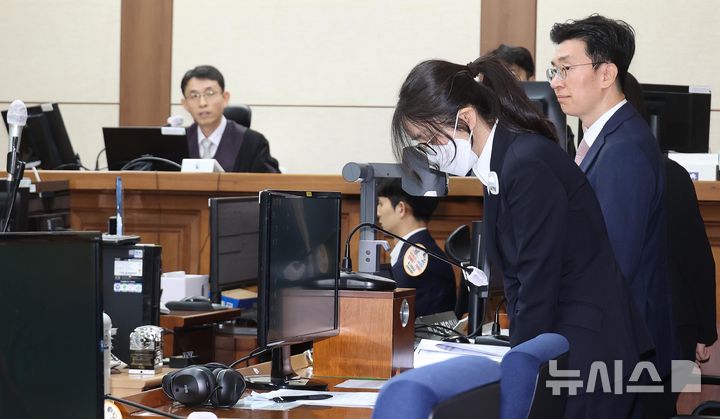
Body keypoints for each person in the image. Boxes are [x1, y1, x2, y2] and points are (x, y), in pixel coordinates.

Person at [390, 55, 653, 418]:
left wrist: (517, 368)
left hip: (589, 352)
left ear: (465, 118)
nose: (431, 153)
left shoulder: (524, 162)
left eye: (430, 139)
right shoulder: (501, 163)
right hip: (565, 343)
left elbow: (537, 278)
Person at [548, 16, 675, 418]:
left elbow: (612, 263)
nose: (556, 82)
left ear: (606, 73)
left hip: (619, 352)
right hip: (611, 345)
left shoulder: (623, 151)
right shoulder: (605, 141)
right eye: (554, 70)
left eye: (566, 68)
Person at [624, 72, 717, 416]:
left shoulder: (661, 173)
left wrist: (704, 331)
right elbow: (699, 258)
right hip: (679, 333)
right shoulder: (671, 172)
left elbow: (695, 257)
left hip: (658, 331)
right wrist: (704, 333)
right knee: (663, 404)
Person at [376, 179, 456, 317]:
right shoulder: (428, 251)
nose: (378, 212)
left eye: (381, 204)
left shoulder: (413, 261)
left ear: (401, 208)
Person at [180, 65, 280, 173]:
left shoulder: (253, 143)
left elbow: (272, 181)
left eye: (210, 93)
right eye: (194, 96)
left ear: (225, 98)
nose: (202, 103)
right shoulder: (177, 142)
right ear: (185, 104)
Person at [489, 43, 577, 157]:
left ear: (531, 80)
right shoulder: (483, 126)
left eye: (511, 74)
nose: (505, 82)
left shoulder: (554, 130)